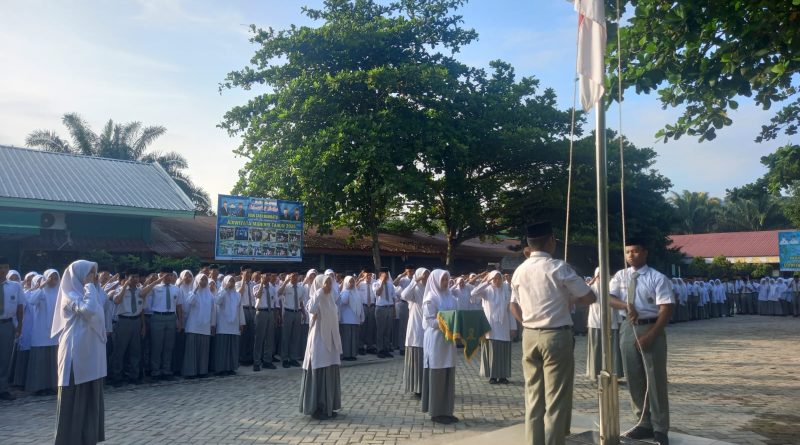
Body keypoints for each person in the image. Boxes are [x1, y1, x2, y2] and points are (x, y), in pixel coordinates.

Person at [509, 222, 595, 445]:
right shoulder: (558, 267)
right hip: (555, 335)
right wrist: (569, 298)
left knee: (533, 396)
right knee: (556, 398)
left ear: (529, 244)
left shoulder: (519, 270)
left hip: (529, 335)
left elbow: (516, 304)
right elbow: (589, 297)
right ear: (550, 241)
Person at [608, 238, 674, 445]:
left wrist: (652, 334)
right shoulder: (621, 275)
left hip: (651, 326)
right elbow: (608, 298)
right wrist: (626, 305)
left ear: (645, 253)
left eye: (635, 251)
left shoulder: (657, 277)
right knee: (634, 377)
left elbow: (666, 308)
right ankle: (643, 422)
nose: (630, 255)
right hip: (628, 327)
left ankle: (660, 426)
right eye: (627, 252)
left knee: (655, 379)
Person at [52, 260, 106, 445]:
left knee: (89, 398)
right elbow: (88, 311)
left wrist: (92, 287)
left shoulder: (91, 294)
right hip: (76, 355)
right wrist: (90, 285)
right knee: (74, 397)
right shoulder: (69, 296)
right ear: (78, 275)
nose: (93, 277)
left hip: (92, 355)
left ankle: (86, 437)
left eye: (94, 273)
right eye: (89, 273)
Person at [299, 274, 342, 420]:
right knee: (319, 370)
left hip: (331, 342)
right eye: (326, 284)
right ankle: (316, 407)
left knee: (329, 370)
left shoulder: (330, 300)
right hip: (318, 343)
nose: (329, 287)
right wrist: (319, 292)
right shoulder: (315, 299)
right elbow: (311, 309)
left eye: (330, 284)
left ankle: (327, 406)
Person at [421, 268, 459, 424]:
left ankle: (447, 410)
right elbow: (430, 321)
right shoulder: (430, 298)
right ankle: (436, 412)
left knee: (448, 373)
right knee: (437, 374)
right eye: (443, 279)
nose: (445, 282)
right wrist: (446, 322)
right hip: (436, 340)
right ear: (436, 280)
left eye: (447, 279)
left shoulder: (450, 296)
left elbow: (457, 314)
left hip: (449, 341)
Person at [472, 270, 515, 384]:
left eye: (499, 278)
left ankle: (503, 376)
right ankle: (492, 375)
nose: (497, 280)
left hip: (504, 326)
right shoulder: (486, 290)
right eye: (494, 278)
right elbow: (473, 293)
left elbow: (510, 310)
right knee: (492, 351)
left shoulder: (505, 290)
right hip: (491, 326)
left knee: (503, 351)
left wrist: (513, 327)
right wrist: (486, 282)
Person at [141, 267, 182, 381]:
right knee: (157, 345)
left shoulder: (176, 289)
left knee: (169, 346)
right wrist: (156, 281)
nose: (168, 277)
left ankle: (166, 370)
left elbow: (179, 306)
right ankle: (155, 371)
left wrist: (180, 322)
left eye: (170, 275)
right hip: (158, 317)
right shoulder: (155, 287)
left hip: (171, 317)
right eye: (165, 275)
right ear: (161, 275)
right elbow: (142, 294)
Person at [25, 269, 61, 395]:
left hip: (55, 332)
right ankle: (39, 387)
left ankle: (53, 385)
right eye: (50, 277)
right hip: (41, 332)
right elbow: (32, 301)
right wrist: (41, 286)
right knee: (41, 360)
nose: (53, 280)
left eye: (55, 277)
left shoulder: (59, 293)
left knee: (54, 360)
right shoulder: (40, 292)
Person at [585, 267, 623, 382]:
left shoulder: (612, 288)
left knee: (613, 349)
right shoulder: (591, 288)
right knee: (596, 349)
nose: (601, 278)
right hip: (595, 322)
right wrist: (592, 281)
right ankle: (595, 373)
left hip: (611, 322)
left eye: (603, 275)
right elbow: (582, 292)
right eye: (599, 275)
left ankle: (614, 373)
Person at [109, 270, 144, 386]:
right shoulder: (119, 290)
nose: (135, 279)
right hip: (124, 321)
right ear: (127, 278)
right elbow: (117, 301)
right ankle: (117, 377)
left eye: (137, 277)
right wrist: (125, 286)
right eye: (132, 277)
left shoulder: (140, 291)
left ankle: (134, 375)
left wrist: (143, 325)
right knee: (119, 350)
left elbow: (142, 309)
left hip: (136, 321)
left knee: (136, 350)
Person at [182, 273, 215, 379]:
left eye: (205, 280)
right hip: (193, 326)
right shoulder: (193, 293)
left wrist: (212, 325)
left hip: (205, 327)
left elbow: (212, 311)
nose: (204, 282)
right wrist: (196, 288)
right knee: (192, 351)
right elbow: (189, 302)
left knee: (203, 351)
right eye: (201, 280)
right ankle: (190, 372)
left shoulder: (210, 295)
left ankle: (202, 371)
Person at [402, 267, 429, 397]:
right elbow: (404, 295)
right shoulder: (415, 288)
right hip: (416, 326)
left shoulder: (430, 289)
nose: (425, 278)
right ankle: (416, 387)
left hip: (428, 327)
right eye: (423, 275)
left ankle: (427, 386)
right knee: (417, 356)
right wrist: (415, 281)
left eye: (427, 275)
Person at [0, 258, 24, 400]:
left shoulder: (15, 286)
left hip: (7, 325)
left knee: (5, 358)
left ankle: (2, 389)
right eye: (0, 267)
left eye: (5, 267)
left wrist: (19, 325)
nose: (3, 270)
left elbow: (20, 306)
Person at [213, 276, 245, 375]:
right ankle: (221, 369)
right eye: (229, 281)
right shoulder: (221, 292)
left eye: (232, 281)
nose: (231, 283)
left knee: (232, 348)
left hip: (234, 324)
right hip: (223, 324)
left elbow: (240, 310)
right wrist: (225, 288)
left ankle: (231, 367)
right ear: (225, 282)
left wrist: (241, 323)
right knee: (223, 348)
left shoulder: (238, 295)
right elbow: (217, 301)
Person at [278, 272, 305, 368]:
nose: (295, 278)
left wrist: (303, 313)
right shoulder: (286, 286)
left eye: (296, 276)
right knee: (286, 337)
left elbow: (301, 301)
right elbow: (279, 293)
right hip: (288, 313)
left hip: (297, 312)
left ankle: (293, 358)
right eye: (293, 276)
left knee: (295, 336)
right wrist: (285, 282)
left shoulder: (301, 288)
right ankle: (285, 359)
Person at [253, 272, 278, 371]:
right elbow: (258, 296)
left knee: (269, 338)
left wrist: (275, 316)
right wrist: (262, 285)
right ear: (262, 276)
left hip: (270, 312)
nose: (268, 277)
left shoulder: (272, 288)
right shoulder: (256, 286)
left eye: (269, 275)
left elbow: (274, 302)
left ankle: (267, 361)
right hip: (261, 312)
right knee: (259, 338)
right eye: (266, 275)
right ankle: (256, 362)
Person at [338, 276, 363, 361]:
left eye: (353, 282)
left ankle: (353, 354)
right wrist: (348, 291)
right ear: (346, 283)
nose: (352, 284)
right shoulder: (344, 292)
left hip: (355, 319)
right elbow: (344, 301)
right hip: (346, 319)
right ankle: (346, 355)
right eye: (350, 282)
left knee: (354, 337)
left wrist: (361, 317)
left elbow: (360, 306)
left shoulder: (357, 292)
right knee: (347, 338)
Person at [373, 267, 396, 358]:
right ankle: (380, 350)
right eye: (384, 274)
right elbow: (378, 293)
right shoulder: (375, 283)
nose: (386, 276)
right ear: (380, 275)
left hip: (389, 308)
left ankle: (386, 349)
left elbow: (393, 298)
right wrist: (382, 282)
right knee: (380, 330)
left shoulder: (390, 284)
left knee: (388, 330)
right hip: (380, 308)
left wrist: (394, 310)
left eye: (387, 274)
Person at [237, 266, 256, 366]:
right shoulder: (238, 283)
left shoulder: (253, 284)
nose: (248, 274)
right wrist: (243, 279)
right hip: (243, 309)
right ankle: (242, 357)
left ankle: (249, 356)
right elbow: (239, 294)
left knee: (251, 335)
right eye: (246, 273)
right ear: (242, 273)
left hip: (252, 309)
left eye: (249, 272)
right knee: (243, 335)